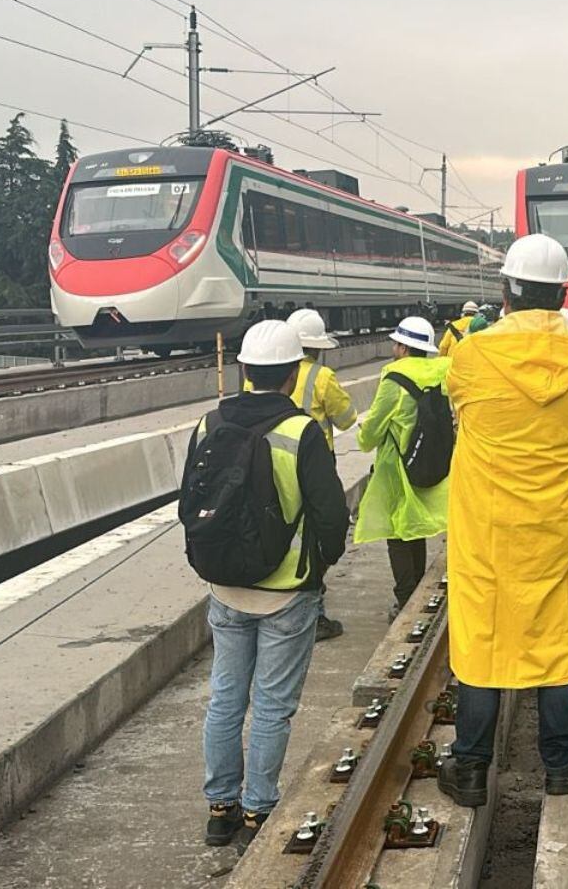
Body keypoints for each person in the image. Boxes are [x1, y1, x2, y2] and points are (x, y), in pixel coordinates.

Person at [438, 234, 568, 806]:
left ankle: (469, 769)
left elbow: (459, 408)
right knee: (557, 634)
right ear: (563, 293)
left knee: (481, 639)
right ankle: (559, 762)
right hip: (558, 525)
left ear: (505, 289)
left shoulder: (470, 355)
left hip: (487, 526)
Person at [191, 320, 350, 846]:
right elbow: (330, 516)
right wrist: (318, 570)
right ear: (291, 373)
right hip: (286, 592)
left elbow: (190, 506)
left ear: (243, 370)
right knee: (273, 704)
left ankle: (220, 809)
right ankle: (259, 809)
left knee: (225, 698)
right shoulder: (301, 432)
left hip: (225, 590)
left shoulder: (208, 423)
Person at [355, 316, 451, 620]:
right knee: (415, 528)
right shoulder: (442, 371)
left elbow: (371, 433)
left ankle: (406, 597)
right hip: (431, 461)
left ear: (402, 347)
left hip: (397, 468)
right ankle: (417, 587)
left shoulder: (393, 378)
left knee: (397, 533)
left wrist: (362, 436)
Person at [285, 307, 358, 642]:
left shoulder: (261, 373)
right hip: (315, 462)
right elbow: (345, 419)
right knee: (315, 533)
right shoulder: (322, 377)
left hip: (274, 458)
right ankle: (314, 615)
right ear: (316, 348)